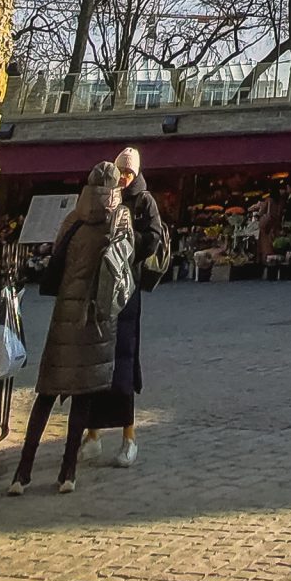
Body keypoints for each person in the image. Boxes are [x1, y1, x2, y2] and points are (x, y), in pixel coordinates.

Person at [8, 162, 133, 496]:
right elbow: (125, 266)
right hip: (95, 316)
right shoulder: (118, 218)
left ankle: (22, 472)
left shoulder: (72, 220)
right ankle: (67, 471)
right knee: (82, 398)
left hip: (65, 313)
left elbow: (56, 262)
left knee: (46, 393)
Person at [83, 146, 168, 469]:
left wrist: (127, 253)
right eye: (122, 172)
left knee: (123, 360)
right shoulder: (107, 197)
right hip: (102, 286)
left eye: (130, 173)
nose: (125, 178)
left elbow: (154, 236)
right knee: (96, 360)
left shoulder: (144, 200)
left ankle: (128, 437)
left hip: (127, 288)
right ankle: (92, 434)